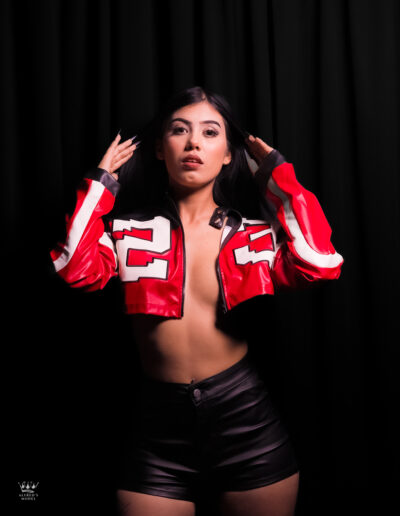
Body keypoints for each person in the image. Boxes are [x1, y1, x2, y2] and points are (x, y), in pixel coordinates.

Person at [50, 86, 343, 516]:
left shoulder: (254, 235)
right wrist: (99, 183)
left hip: (246, 423)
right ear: (159, 148)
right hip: (157, 431)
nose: (193, 143)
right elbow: (74, 268)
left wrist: (278, 178)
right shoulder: (127, 232)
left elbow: (319, 263)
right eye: (179, 130)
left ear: (228, 154)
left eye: (210, 132)